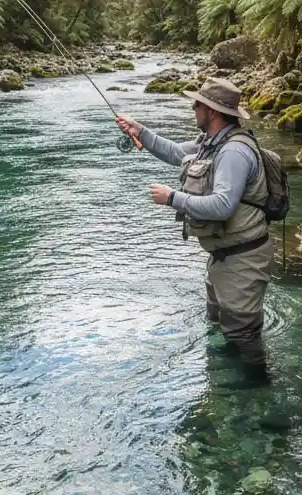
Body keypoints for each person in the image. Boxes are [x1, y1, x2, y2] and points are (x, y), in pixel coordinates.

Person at [116, 77, 274, 388]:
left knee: (243, 336)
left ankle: (260, 398)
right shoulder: (211, 143)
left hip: (243, 261)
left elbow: (223, 206)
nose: (193, 108)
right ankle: (229, 391)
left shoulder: (233, 152)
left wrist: (172, 198)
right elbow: (176, 152)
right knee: (222, 328)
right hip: (224, 258)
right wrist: (140, 131)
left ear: (212, 111)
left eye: (197, 104)